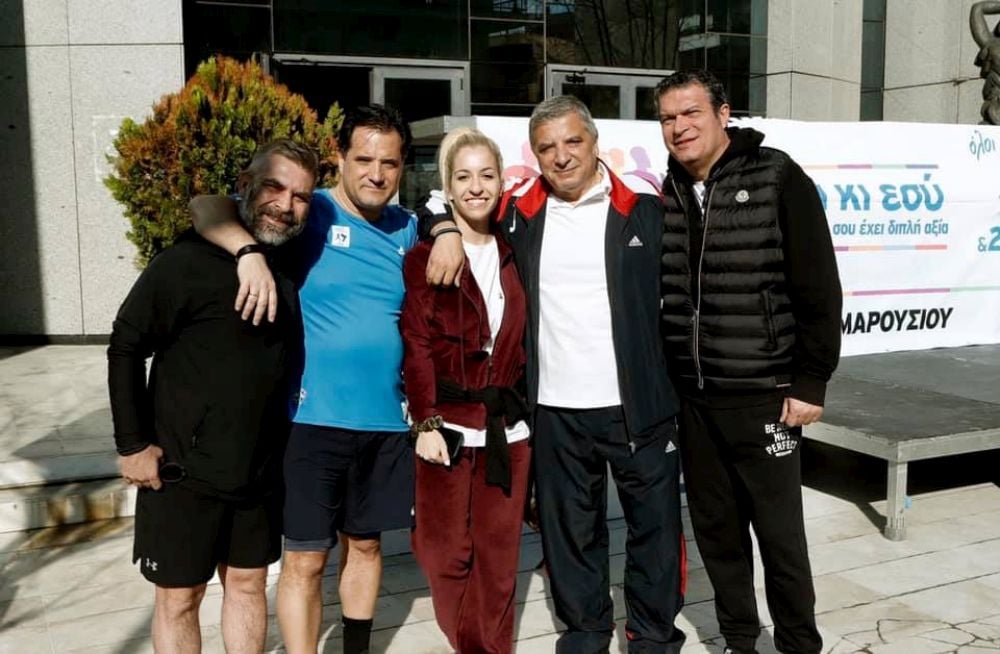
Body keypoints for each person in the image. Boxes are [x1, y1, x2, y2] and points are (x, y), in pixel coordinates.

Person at [425, 96, 686, 654]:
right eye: (547, 147)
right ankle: (586, 631)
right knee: (571, 534)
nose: (561, 156)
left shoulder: (646, 209)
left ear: (594, 142)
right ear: (535, 154)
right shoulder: (518, 212)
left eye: (572, 142)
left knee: (656, 532)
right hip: (556, 409)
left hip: (639, 406)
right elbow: (448, 200)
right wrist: (444, 229)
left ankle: (654, 636)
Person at [190, 105, 433, 654]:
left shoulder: (408, 226)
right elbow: (206, 206)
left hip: (384, 423)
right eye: (363, 159)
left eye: (389, 163)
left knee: (366, 548)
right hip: (310, 422)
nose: (376, 174)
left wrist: (443, 232)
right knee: (305, 558)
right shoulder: (308, 210)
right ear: (340, 159)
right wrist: (248, 254)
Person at [655, 70, 842, 654]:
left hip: (765, 396)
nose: (679, 127)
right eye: (667, 118)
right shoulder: (669, 190)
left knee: (780, 537)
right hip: (695, 398)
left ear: (722, 114)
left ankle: (798, 644)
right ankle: (739, 641)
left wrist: (810, 381)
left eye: (691, 113)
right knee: (718, 535)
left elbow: (819, 285)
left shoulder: (776, 175)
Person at [108, 138, 317, 653]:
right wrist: (133, 444)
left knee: (248, 585)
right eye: (273, 187)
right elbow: (126, 347)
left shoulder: (288, 262)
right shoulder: (184, 262)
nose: (285, 205)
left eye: (300, 196)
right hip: (183, 470)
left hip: (258, 470)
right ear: (245, 184)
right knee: (180, 598)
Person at [400, 128, 531, 653]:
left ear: (502, 182)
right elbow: (416, 343)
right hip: (448, 427)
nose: (476, 187)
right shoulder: (426, 256)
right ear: (448, 189)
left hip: (508, 431)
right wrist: (425, 421)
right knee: (443, 553)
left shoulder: (517, 251)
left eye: (486, 175)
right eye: (463, 176)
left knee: (498, 561)